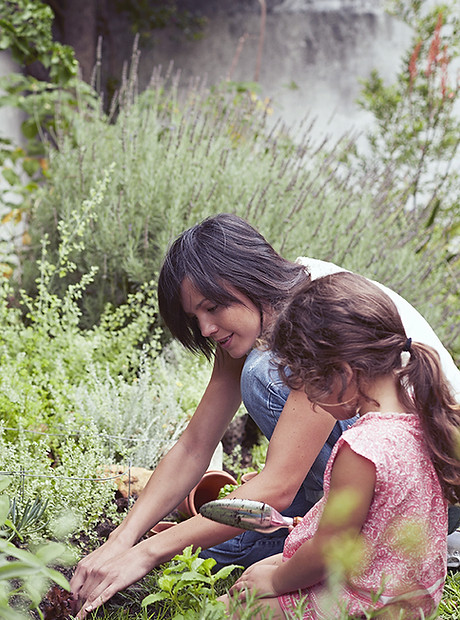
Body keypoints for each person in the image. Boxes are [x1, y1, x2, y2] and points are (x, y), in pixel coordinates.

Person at [70, 214, 460, 618]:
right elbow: (195, 445)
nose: (205, 328)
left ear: (248, 277)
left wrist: (146, 554)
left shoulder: (316, 319)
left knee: (260, 375)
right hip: (405, 474)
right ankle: (307, 528)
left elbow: (276, 488)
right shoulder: (259, 309)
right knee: (224, 550)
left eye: (212, 307)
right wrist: (123, 538)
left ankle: (333, 532)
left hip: (424, 497)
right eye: (194, 317)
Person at [224, 271, 460, 619]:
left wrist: (275, 581)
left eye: (311, 387)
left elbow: (328, 550)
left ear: (343, 374)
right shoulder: (425, 420)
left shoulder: (362, 448)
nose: (314, 404)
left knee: (231, 608)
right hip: (411, 599)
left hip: (368, 603)